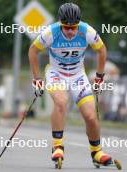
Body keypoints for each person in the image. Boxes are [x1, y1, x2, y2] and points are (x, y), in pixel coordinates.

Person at [28, 2, 113, 168]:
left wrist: (99, 77)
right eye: (66, 27)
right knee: (61, 102)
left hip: (77, 75)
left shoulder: (86, 31)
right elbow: (33, 50)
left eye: (73, 27)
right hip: (55, 73)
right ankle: (58, 146)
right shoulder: (50, 32)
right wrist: (37, 78)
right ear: (60, 24)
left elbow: (101, 50)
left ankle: (96, 152)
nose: (70, 31)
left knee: (90, 115)